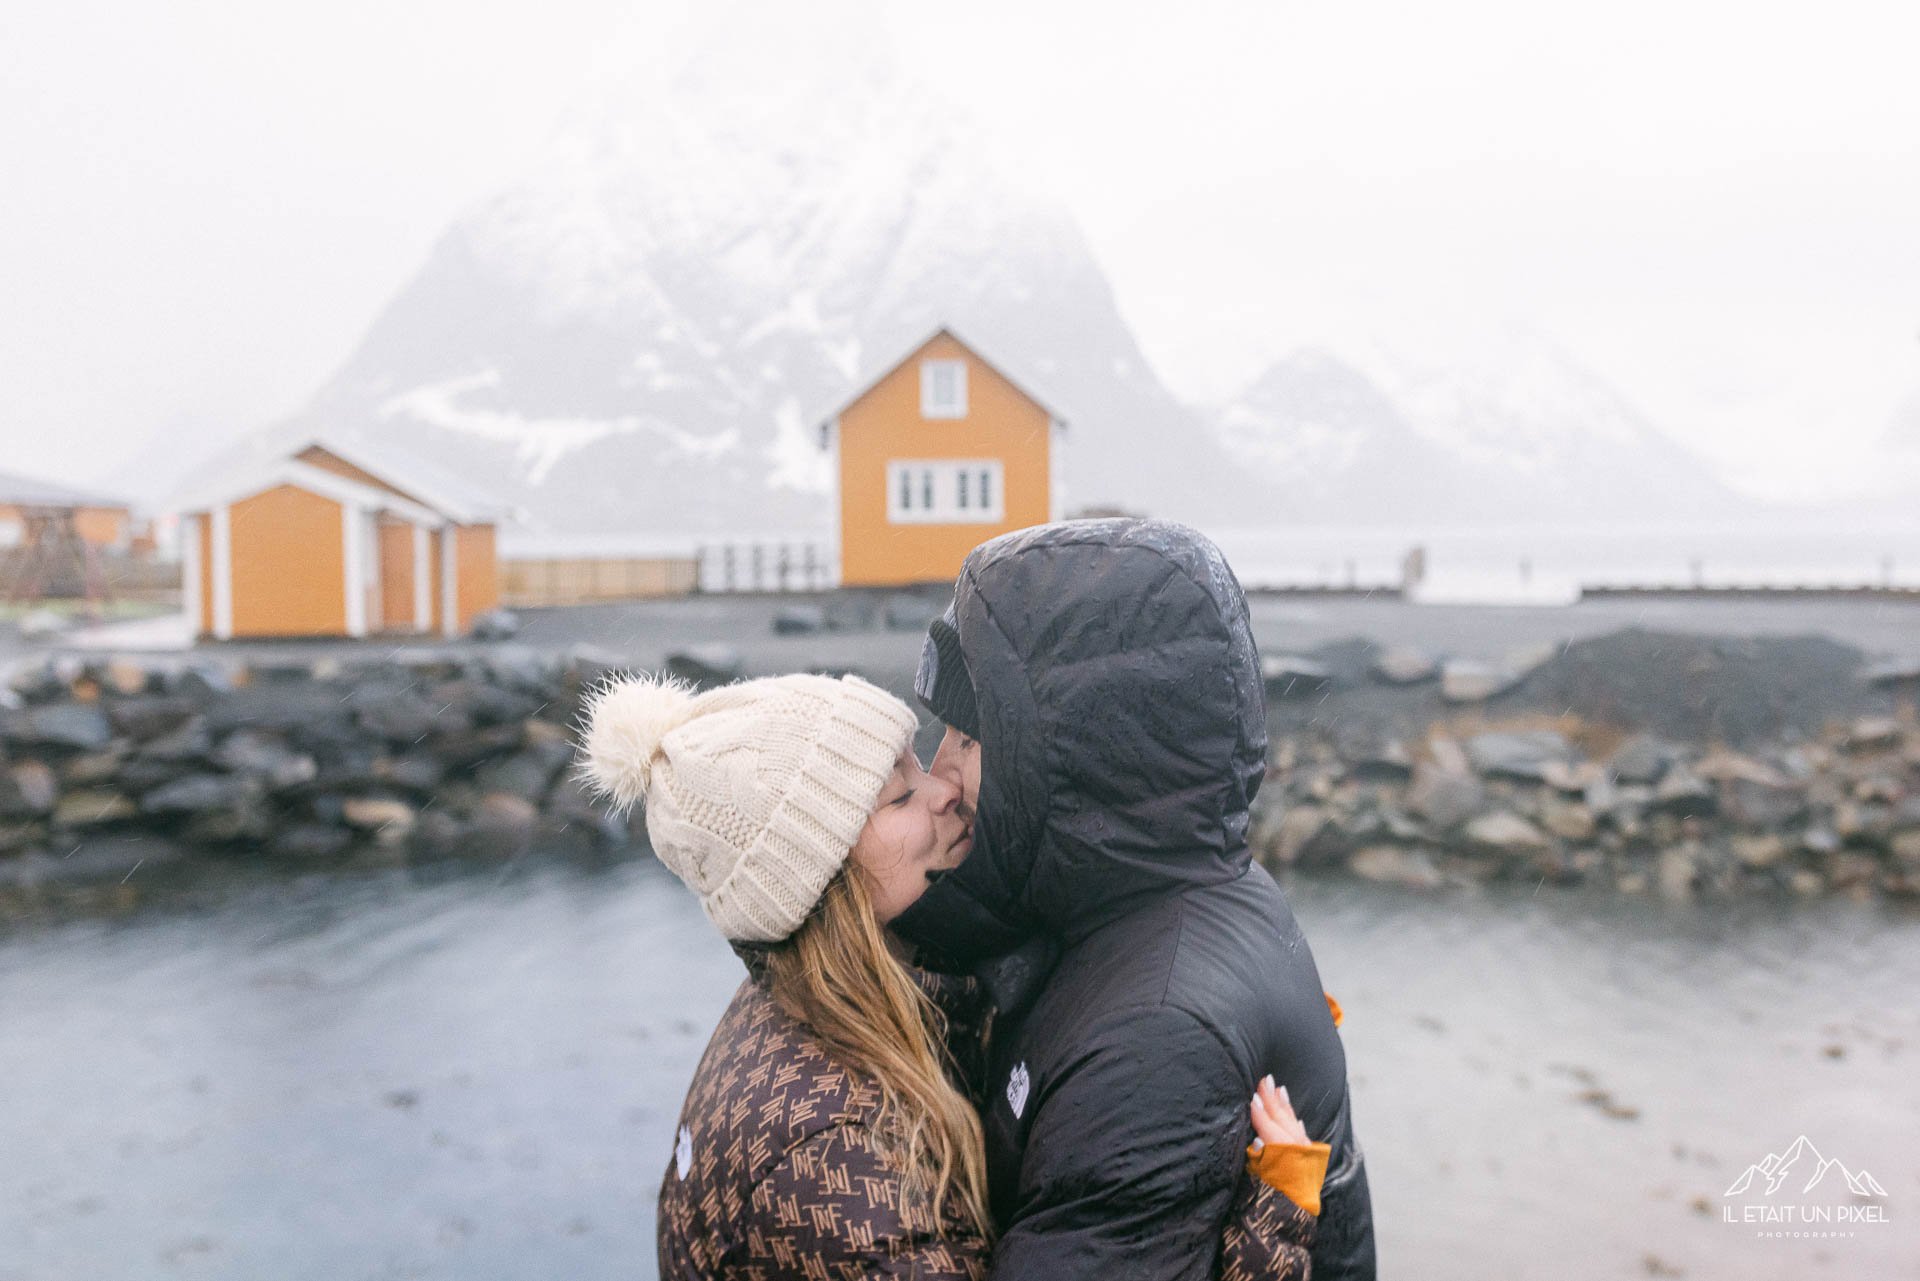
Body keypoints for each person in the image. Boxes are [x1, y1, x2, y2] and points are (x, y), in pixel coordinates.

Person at [578, 671, 1330, 1280]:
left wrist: (1225, 1010)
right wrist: (1273, 1226)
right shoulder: (832, 1163)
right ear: (822, 879)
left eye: (922, 756)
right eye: (900, 795)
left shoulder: (834, 994)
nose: (943, 785)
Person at [898, 517, 1378, 1281]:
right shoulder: (1142, 890)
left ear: (1074, 756)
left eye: (967, 737)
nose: (939, 771)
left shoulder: (1156, 1037)